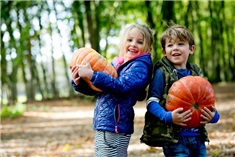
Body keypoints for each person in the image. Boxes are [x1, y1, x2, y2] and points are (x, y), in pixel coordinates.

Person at [70, 24, 154, 157]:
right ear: (123, 43)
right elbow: (99, 89)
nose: (133, 44)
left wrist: (92, 75)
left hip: (116, 125)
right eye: (130, 40)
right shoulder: (118, 64)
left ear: (148, 48)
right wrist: (79, 82)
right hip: (106, 123)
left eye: (140, 42)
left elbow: (121, 86)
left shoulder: (140, 67)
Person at [140, 24, 220, 157]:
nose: (175, 48)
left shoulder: (196, 73)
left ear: (191, 49)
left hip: (198, 137)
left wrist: (214, 116)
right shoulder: (162, 73)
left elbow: (206, 100)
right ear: (164, 52)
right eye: (170, 45)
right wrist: (168, 116)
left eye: (181, 44)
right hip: (175, 140)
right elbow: (151, 101)